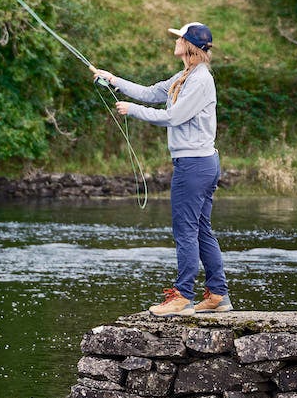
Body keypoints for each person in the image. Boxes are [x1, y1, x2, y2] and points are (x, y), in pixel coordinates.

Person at [94, 22, 230, 316]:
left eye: (180, 37)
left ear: (190, 44)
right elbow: (150, 92)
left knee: (185, 231)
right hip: (200, 164)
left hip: (194, 166)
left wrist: (132, 111)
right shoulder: (186, 75)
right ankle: (218, 295)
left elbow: (174, 116)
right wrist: (113, 79)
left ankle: (182, 297)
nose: (176, 41)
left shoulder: (200, 80)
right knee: (201, 229)